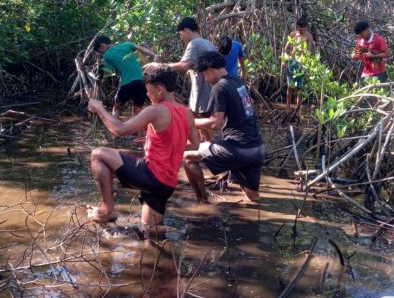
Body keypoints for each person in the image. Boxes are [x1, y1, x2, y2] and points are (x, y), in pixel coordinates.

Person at [86, 64, 200, 231]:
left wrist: (99, 109)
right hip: (166, 185)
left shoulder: (156, 110)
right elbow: (195, 145)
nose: (147, 94)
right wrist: (166, 145)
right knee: (150, 234)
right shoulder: (187, 112)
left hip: (151, 176)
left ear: (160, 89)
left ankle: (106, 209)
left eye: (148, 90)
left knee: (98, 154)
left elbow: (119, 130)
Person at [184, 51, 265, 204]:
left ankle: (203, 202)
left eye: (205, 76)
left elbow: (215, 123)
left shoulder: (220, 87)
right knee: (252, 197)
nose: (207, 80)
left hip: (237, 150)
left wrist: (188, 122)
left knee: (188, 158)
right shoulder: (239, 82)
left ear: (210, 70)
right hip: (257, 149)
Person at [93, 36, 159, 118]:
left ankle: (115, 128)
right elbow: (141, 48)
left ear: (102, 45)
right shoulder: (127, 44)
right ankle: (136, 129)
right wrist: (154, 55)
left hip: (126, 83)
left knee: (116, 107)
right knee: (137, 108)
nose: (101, 53)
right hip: (141, 81)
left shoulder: (106, 56)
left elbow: (114, 71)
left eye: (100, 51)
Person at [165, 17, 217, 116]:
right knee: (209, 124)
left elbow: (184, 65)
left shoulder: (194, 43)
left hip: (203, 95)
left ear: (187, 30)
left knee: (203, 126)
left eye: (181, 34)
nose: (181, 37)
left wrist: (160, 66)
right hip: (212, 92)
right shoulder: (208, 42)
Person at [281, 17, 315, 110]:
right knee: (290, 86)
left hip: (302, 63)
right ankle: (287, 107)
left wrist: (306, 64)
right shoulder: (293, 34)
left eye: (304, 28)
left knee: (300, 88)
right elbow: (286, 48)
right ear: (297, 27)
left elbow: (308, 51)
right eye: (301, 28)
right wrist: (284, 61)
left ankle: (297, 109)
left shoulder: (309, 36)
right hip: (292, 63)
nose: (302, 30)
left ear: (306, 27)